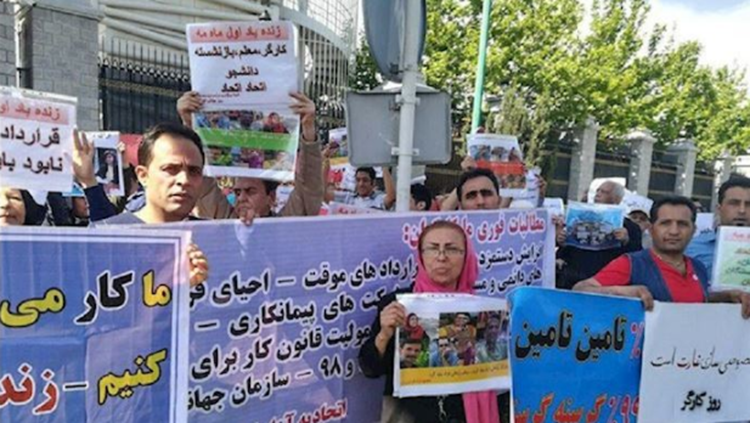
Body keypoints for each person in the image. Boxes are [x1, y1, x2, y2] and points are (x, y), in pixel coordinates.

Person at [359, 220, 508, 423]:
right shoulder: (398, 304)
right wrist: (384, 334)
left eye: (452, 249)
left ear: (466, 256)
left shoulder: (481, 309)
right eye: (432, 248)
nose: (441, 257)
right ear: (421, 256)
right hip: (410, 416)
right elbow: (370, 369)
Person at [573, 196, 750, 317]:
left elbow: (693, 300)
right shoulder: (631, 264)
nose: (674, 231)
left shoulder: (698, 267)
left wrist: (727, 296)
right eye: (665, 223)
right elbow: (580, 290)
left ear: (693, 230)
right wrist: (622, 291)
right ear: (651, 229)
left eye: (682, 224)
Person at [179, 91, 323, 219]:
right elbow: (202, 185)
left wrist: (308, 128)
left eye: (250, 191)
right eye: (237, 192)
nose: (241, 198)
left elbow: (308, 189)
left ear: (271, 197)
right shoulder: (226, 221)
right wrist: (189, 122)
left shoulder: (283, 226)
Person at [556, 180, 642, 289]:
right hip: (573, 278)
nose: (598, 194)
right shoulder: (579, 218)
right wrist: (561, 241)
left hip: (605, 282)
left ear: (617, 199)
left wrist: (626, 240)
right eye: (598, 191)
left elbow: (636, 256)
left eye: (604, 192)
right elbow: (568, 247)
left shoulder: (630, 227)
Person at [686, 177, 750, 278]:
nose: (742, 210)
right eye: (734, 203)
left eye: (749, 205)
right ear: (719, 209)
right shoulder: (690, 248)